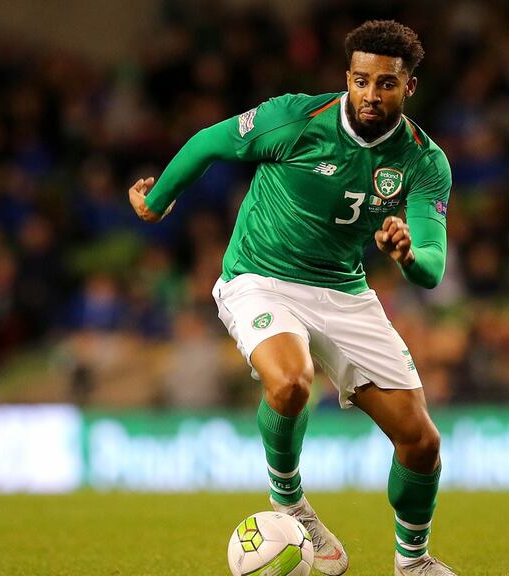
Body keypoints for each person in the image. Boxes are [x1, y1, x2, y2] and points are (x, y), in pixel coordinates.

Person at [129, 20, 455, 576]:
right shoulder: (295, 118)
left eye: (386, 85)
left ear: (409, 88)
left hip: (345, 290)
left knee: (421, 441)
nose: (371, 95)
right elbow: (211, 141)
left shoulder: (424, 162)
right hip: (260, 276)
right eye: (360, 80)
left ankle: (413, 563)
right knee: (290, 381)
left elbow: (432, 266)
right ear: (346, 78)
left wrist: (406, 255)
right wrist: (158, 200)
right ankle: (290, 503)